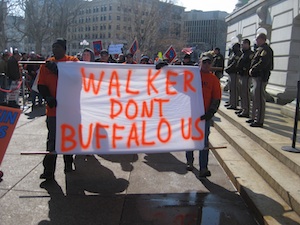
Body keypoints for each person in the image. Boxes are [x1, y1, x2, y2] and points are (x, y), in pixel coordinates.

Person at [38, 38, 79, 180]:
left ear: (64, 49)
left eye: (58, 47)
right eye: (53, 47)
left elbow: (76, 80)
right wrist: (48, 97)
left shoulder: (73, 62)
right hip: (53, 110)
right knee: (52, 140)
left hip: (69, 110)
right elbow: (41, 85)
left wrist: (59, 71)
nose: (55, 49)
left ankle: (68, 163)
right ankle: (49, 171)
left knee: (68, 138)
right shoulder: (47, 64)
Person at [186, 52, 221, 177]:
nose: (206, 65)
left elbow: (216, 98)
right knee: (190, 139)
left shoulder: (214, 80)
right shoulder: (192, 75)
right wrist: (163, 67)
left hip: (204, 116)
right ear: (200, 62)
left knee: (204, 142)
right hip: (191, 114)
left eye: (209, 62)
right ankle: (189, 161)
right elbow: (175, 80)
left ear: (211, 64)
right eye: (204, 62)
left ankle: (203, 167)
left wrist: (210, 113)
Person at [248, 33, 274, 127]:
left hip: (261, 77)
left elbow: (263, 63)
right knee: (256, 98)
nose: (256, 41)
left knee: (260, 98)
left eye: (258, 39)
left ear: (262, 39)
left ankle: (259, 120)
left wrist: (253, 69)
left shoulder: (266, 50)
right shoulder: (260, 49)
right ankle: (255, 117)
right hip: (257, 77)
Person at [236, 39, 254, 118]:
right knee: (242, 93)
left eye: (243, 44)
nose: (242, 46)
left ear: (248, 44)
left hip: (246, 75)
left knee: (245, 93)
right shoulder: (244, 53)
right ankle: (243, 107)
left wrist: (243, 70)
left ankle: (246, 110)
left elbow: (249, 65)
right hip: (241, 75)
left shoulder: (250, 54)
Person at [224, 43, 242, 110]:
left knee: (234, 89)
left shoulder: (238, 54)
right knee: (231, 89)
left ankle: (234, 104)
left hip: (234, 73)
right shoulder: (233, 53)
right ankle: (231, 102)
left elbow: (234, 64)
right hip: (231, 73)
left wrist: (227, 68)